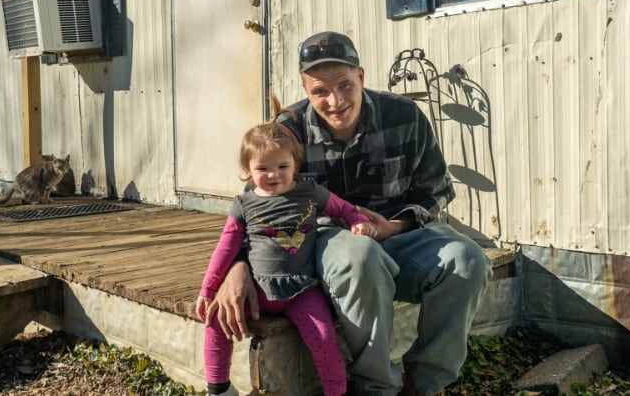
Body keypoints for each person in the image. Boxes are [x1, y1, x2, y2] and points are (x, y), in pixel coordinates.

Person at [207, 31, 493, 396]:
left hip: (400, 232)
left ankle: (425, 386)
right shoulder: (287, 130)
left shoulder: (403, 116)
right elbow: (254, 209)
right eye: (320, 91)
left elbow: (435, 187)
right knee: (362, 256)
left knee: (468, 260)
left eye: (344, 85)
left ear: (361, 75)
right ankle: (378, 388)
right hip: (324, 246)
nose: (335, 101)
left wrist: (396, 225)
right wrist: (237, 267)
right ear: (305, 89)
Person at [196, 95, 378, 396]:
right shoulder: (244, 204)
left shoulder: (309, 192)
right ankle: (218, 387)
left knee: (324, 337)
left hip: (301, 290)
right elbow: (226, 248)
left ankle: (337, 392)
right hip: (258, 291)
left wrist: (357, 220)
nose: (274, 175)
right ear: (248, 169)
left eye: (283, 166)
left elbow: (341, 208)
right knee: (216, 318)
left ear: (296, 165)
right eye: (263, 168)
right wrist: (208, 289)